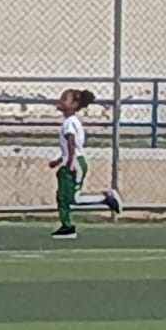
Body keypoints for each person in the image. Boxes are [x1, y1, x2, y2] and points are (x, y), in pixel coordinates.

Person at [48, 88, 122, 239]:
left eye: (65, 99)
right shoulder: (71, 122)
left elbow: (71, 143)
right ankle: (66, 226)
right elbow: (69, 148)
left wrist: (71, 162)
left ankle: (104, 199)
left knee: (69, 199)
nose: (60, 101)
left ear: (74, 105)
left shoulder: (70, 123)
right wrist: (59, 161)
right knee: (64, 198)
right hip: (73, 161)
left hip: (74, 163)